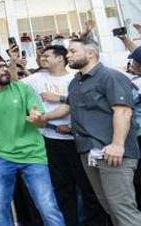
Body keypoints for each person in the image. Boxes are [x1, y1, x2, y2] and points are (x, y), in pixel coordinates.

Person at [50, 40, 141, 225]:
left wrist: (117, 145)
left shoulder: (110, 76)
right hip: (89, 152)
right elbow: (78, 112)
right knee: (108, 206)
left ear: (90, 53)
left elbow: (123, 111)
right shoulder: (75, 83)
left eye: (73, 51)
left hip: (113, 152)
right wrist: (42, 118)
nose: (68, 55)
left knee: (122, 207)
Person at [0, 54, 64, 226]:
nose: (4, 69)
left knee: (47, 206)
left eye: (5, 65)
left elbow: (40, 119)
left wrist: (38, 118)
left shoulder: (22, 89)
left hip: (32, 154)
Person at [22, 45, 106, 226]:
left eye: (47, 55)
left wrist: (53, 109)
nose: (42, 58)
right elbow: (15, 85)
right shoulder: (37, 78)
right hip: (52, 140)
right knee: (62, 188)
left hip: (79, 141)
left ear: (60, 58)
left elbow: (75, 105)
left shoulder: (75, 79)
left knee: (89, 187)